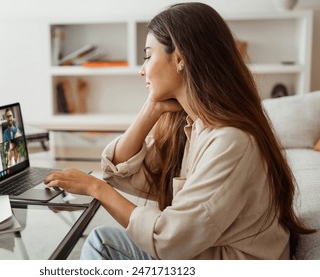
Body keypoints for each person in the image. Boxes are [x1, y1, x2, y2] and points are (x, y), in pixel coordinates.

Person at [44, 2, 314, 260]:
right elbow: (123, 171)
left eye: (148, 56)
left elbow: (169, 240)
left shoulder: (231, 141)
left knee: (103, 243)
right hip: (208, 253)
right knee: (103, 240)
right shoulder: (195, 127)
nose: (142, 70)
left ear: (180, 58)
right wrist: (151, 109)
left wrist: (95, 189)